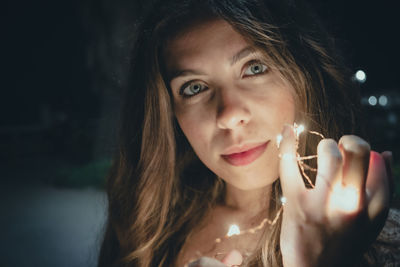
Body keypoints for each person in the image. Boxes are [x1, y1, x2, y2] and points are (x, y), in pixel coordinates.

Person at [97, 0, 399, 266]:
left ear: (305, 74)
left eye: (254, 68)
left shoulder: (377, 243)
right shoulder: (146, 225)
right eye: (194, 88)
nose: (229, 115)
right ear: (169, 113)